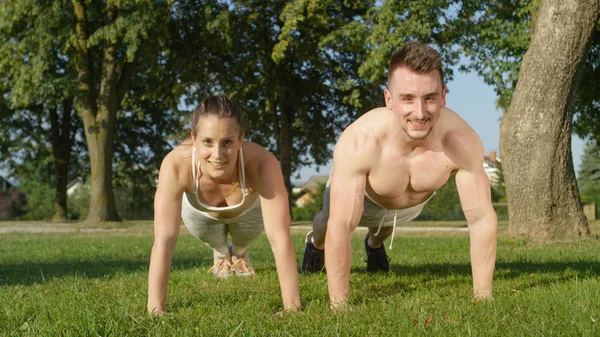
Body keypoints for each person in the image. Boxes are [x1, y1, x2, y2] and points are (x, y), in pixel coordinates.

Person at [301, 42, 497, 310]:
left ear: (444, 96)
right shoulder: (360, 142)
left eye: (429, 98)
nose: (419, 113)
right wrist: (340, 306)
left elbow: (481, 218)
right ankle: (314, 246)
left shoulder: (460, 140)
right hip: (367, 196)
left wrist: (483, 295)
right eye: (407, 98)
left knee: (383, 230)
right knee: (327, 223)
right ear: (389, 99)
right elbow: (342, 226)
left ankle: (373, 245)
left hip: (410, 203)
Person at [147, 95, 301, 315]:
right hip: (201, 216)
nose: (217, 155)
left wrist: (292, 308)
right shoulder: (175, 165)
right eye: (207, 142)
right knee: (216, 241)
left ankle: (239, 253)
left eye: (227, 142)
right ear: (194, 138)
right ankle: (221, 254)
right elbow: (164, 240)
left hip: (248, 212)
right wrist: (155, 310)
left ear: (240, 139)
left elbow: (280, 237)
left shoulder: (262, 163)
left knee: (243, 235)